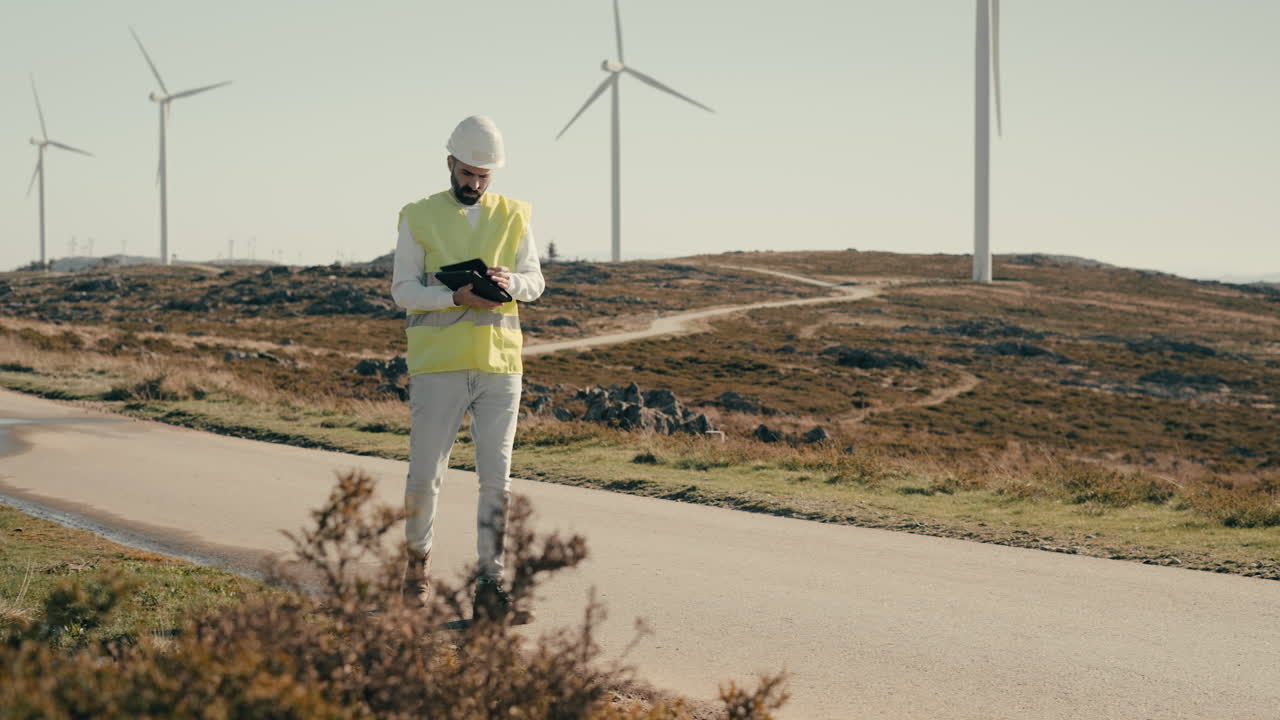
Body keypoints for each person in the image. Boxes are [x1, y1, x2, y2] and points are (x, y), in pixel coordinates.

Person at [390, 115, 545, 620]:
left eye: (484, 177)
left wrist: (510, 283)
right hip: (439, 367)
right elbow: (403, 290)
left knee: (496, 480)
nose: (474, 184)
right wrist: (452, 296)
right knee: (425, 477)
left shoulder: (517, 214)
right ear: (450, 163)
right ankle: (417, 570)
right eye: (468, 173)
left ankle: (490, 587)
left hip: (501, 366)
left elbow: (535, 281)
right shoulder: (417, 215)